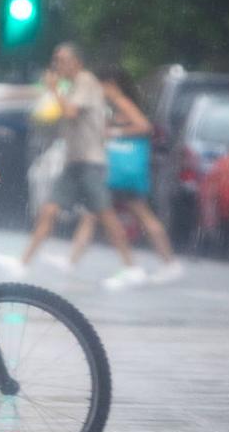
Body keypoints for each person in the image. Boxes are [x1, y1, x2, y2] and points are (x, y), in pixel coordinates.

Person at [0, 43, 144, 291]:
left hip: (90, 162)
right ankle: (23, 262)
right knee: (49, 210)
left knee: (106, 215)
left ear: (77, 63)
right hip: (74, 162)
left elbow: (71, 112)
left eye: (63, 60)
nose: (57, 66)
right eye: (56, 61)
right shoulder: (73, 85)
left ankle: (131, 267)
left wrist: (54, 91)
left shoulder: (85, 81)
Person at [55, 66, 183, 283]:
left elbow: (144, 126)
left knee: (127, 213)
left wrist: (114, 132)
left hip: (123, 170)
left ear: (111, 85)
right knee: (94, 213)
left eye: (101, 86)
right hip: (119, 170)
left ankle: (162, 264)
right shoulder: (114, 105)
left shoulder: (122, 102)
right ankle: (72, 261)